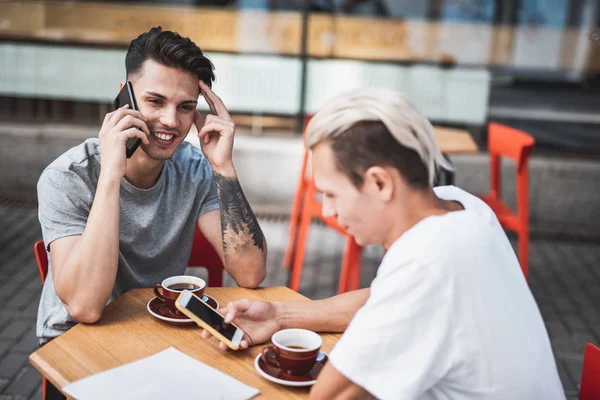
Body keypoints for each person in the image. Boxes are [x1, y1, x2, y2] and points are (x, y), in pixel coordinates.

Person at [203, 89, 566, 399]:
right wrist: (279, 316)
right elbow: (383, 300)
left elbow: (330, 395)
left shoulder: (427, 261)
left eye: (331, 193)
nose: (327, 210)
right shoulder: (463, 208)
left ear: (380, 183)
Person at [36, 26, 267, 347]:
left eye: (185, 107)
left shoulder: (195, 168)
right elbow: (85, 308)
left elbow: (251, 275)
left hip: (156, 331)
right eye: (155, 101)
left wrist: (223, 167)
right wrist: (111, 174)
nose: (171, 121)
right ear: (124, 98)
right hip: (75, 341)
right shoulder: (68, 176)